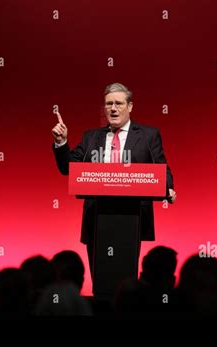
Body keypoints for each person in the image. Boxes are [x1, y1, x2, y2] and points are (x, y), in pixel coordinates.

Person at [51, 82, 176, 284]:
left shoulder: (147, 135)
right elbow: (69, 168)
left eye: (118, 103)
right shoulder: (91, 137)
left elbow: (161, 167)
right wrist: (62, 142)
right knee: (101, 281)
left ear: (130, 106)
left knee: (125, 281)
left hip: (132, 216)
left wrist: (168, 188)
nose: (113, 108)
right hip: (97, 217)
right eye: (109, 104)